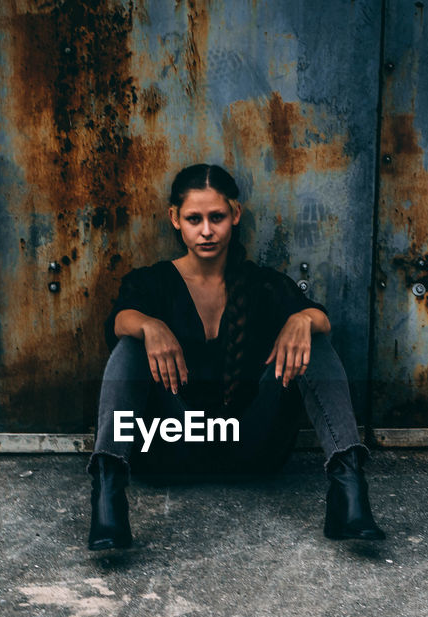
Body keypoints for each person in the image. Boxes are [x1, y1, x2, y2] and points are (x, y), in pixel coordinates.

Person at [87, 163, 385, 550]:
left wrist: (302, 318)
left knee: (313, 341)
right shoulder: (153, 282)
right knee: (131, 344)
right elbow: (119, 320)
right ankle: (108, 494)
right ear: (175, 219)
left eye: (217, 217)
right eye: (194, 219)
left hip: (252, 447)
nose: (207, 231)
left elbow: (322, 319)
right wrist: (149, 326)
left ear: (236, 215)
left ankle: (349, 490)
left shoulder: (260, 283)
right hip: (170, 449)